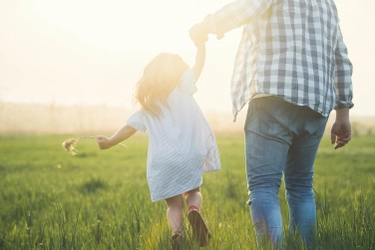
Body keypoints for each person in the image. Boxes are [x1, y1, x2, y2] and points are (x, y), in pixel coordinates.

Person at [190, 0, 353, 248]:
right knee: (301, 187)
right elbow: (340, 57)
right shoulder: (327, 4)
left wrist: (206, 26)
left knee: (264, 186)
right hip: (316, 104)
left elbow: (245, 8)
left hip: (273, 96)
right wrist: (343, 113)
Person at [96, 43, 220, 249]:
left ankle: (177, 233)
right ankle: (194, 211)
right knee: (193, 192)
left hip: (164, 161)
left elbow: (129, 127)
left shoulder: (150, 105)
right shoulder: (184, 88)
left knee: (173, 204)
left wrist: (110, 142)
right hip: (189, 154)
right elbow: (199, 65)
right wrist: (201, 45)